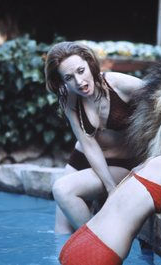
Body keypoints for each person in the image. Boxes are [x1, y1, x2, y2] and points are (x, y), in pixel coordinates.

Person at [45, 41, 144, 233]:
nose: (79, 82)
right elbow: (88, 144)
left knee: (63, 190)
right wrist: (110, 188)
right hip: (83, 158)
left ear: (90, 63)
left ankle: (100, 242)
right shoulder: (68, 99)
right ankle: (89, 248)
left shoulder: (120, 84)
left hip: (121, 163)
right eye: (69, 77)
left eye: (81, 70)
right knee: (62, 230)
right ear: (62, 81)